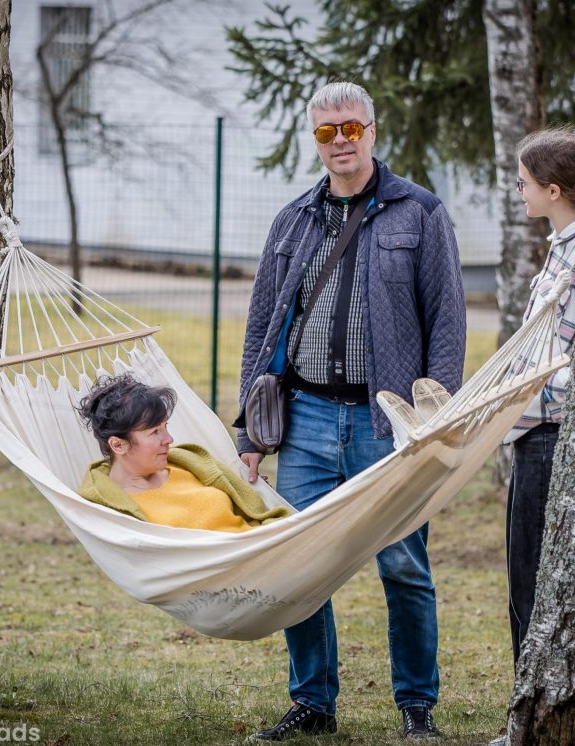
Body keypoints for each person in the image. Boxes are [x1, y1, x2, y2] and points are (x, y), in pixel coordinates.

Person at [234, 82, 466, 740]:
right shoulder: (293, 220)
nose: (341, 141)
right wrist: (249, 430)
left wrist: (433, 418)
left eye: (351, 128)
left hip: (388, 424)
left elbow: (447, 321)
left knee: (404, 566)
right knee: (299, 565)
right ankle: (313, 702)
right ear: (315, 140)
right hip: (305, 418)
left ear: (372, 130)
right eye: (326, 131)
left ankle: (416, 706)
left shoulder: (419, 213)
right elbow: (262, 327)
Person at [500, 125, 575, 682]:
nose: (520, 192)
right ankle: (531, 691)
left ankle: (534, 694)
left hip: (550, 433)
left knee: (532, 573)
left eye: (524, 183)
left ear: (553, 190)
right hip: (532, 428)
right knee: (524, 570)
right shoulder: (563, 247)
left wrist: (523, 391)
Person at [76, 374, 289, 532]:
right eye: (154, 432)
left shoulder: (190, 461)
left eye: (165, 427)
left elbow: (255, 508)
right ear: (118, 445)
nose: (169, 439)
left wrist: (258, 492)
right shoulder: (110, 507)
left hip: (263, 548)